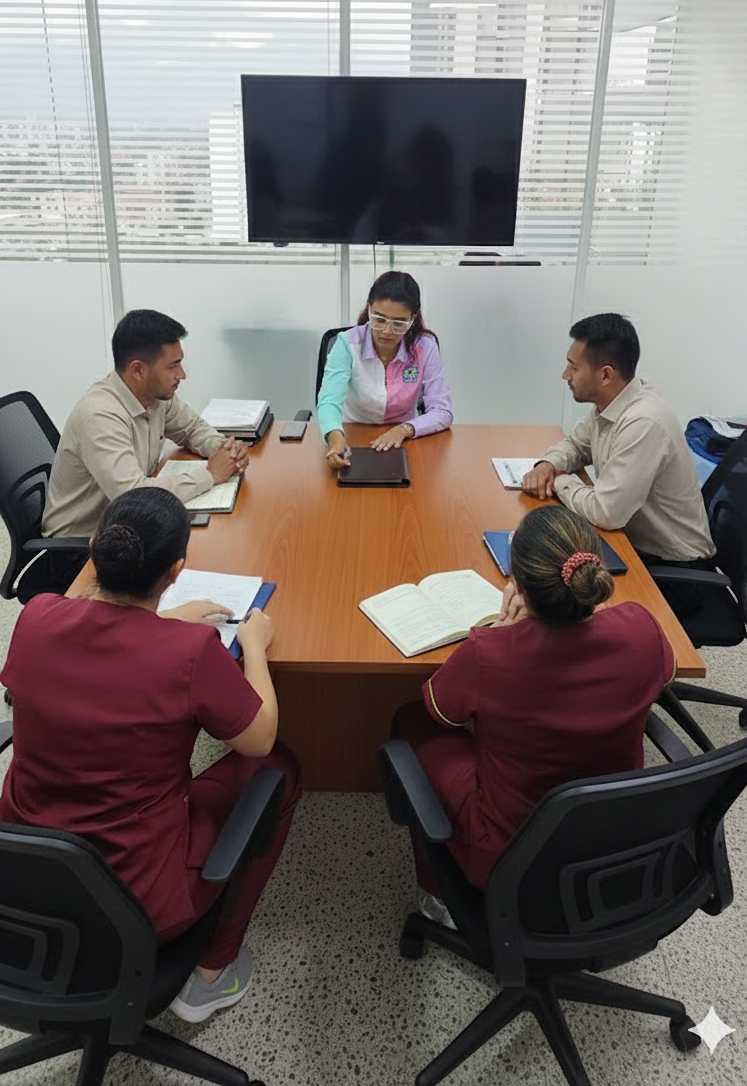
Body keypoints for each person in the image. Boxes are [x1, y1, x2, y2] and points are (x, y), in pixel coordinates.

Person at [0, 486, 301, 1023]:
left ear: (95, 548)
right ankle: (212, 975)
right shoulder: (187, 653)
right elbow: (258, 738)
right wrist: (254, 646)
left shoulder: (37, 617)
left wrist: (161, 622)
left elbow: (98, 645)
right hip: (133, 903)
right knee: (279, 769)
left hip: (23, 881)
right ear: (176, 570)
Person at [392, 506, 675, 925]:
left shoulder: (491, 653)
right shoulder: (640, 627)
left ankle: (439, 899)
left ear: (518, 586)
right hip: (616, 838)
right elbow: (663, 675)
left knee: (410, 722)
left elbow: (440, 711)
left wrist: (500, 635)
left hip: (509, 853)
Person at [37, 308, 250, 597]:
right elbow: (134, 494)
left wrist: (223, 449)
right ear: (138, 369)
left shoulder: (154, 395)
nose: (182, 375)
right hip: (85, 550)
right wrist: (211, 474)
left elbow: (191, 428)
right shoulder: (100, 416)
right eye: (173, 366)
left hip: (129, 530)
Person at [521, 312, 714, 617]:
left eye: (573, 366)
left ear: (606, 375)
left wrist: (558, 480)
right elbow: (575, 444)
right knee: (539, 562)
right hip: (629, 545)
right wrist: (548, 464)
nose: (565, 375)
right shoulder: (611, 402)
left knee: (553, 602)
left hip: (671, 570)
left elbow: (606, 512)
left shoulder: (643, 421)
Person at [317, 271, 453, 470]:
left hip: (405, 441)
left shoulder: (425, 346)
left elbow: (442, 410)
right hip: (353, 436)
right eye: (379, 319)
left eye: (398, 323)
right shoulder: (347, 344)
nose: (387, 331)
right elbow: (329, 401)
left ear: (412, 319)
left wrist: (405, 429)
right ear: (369, 310)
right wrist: (336, 439)